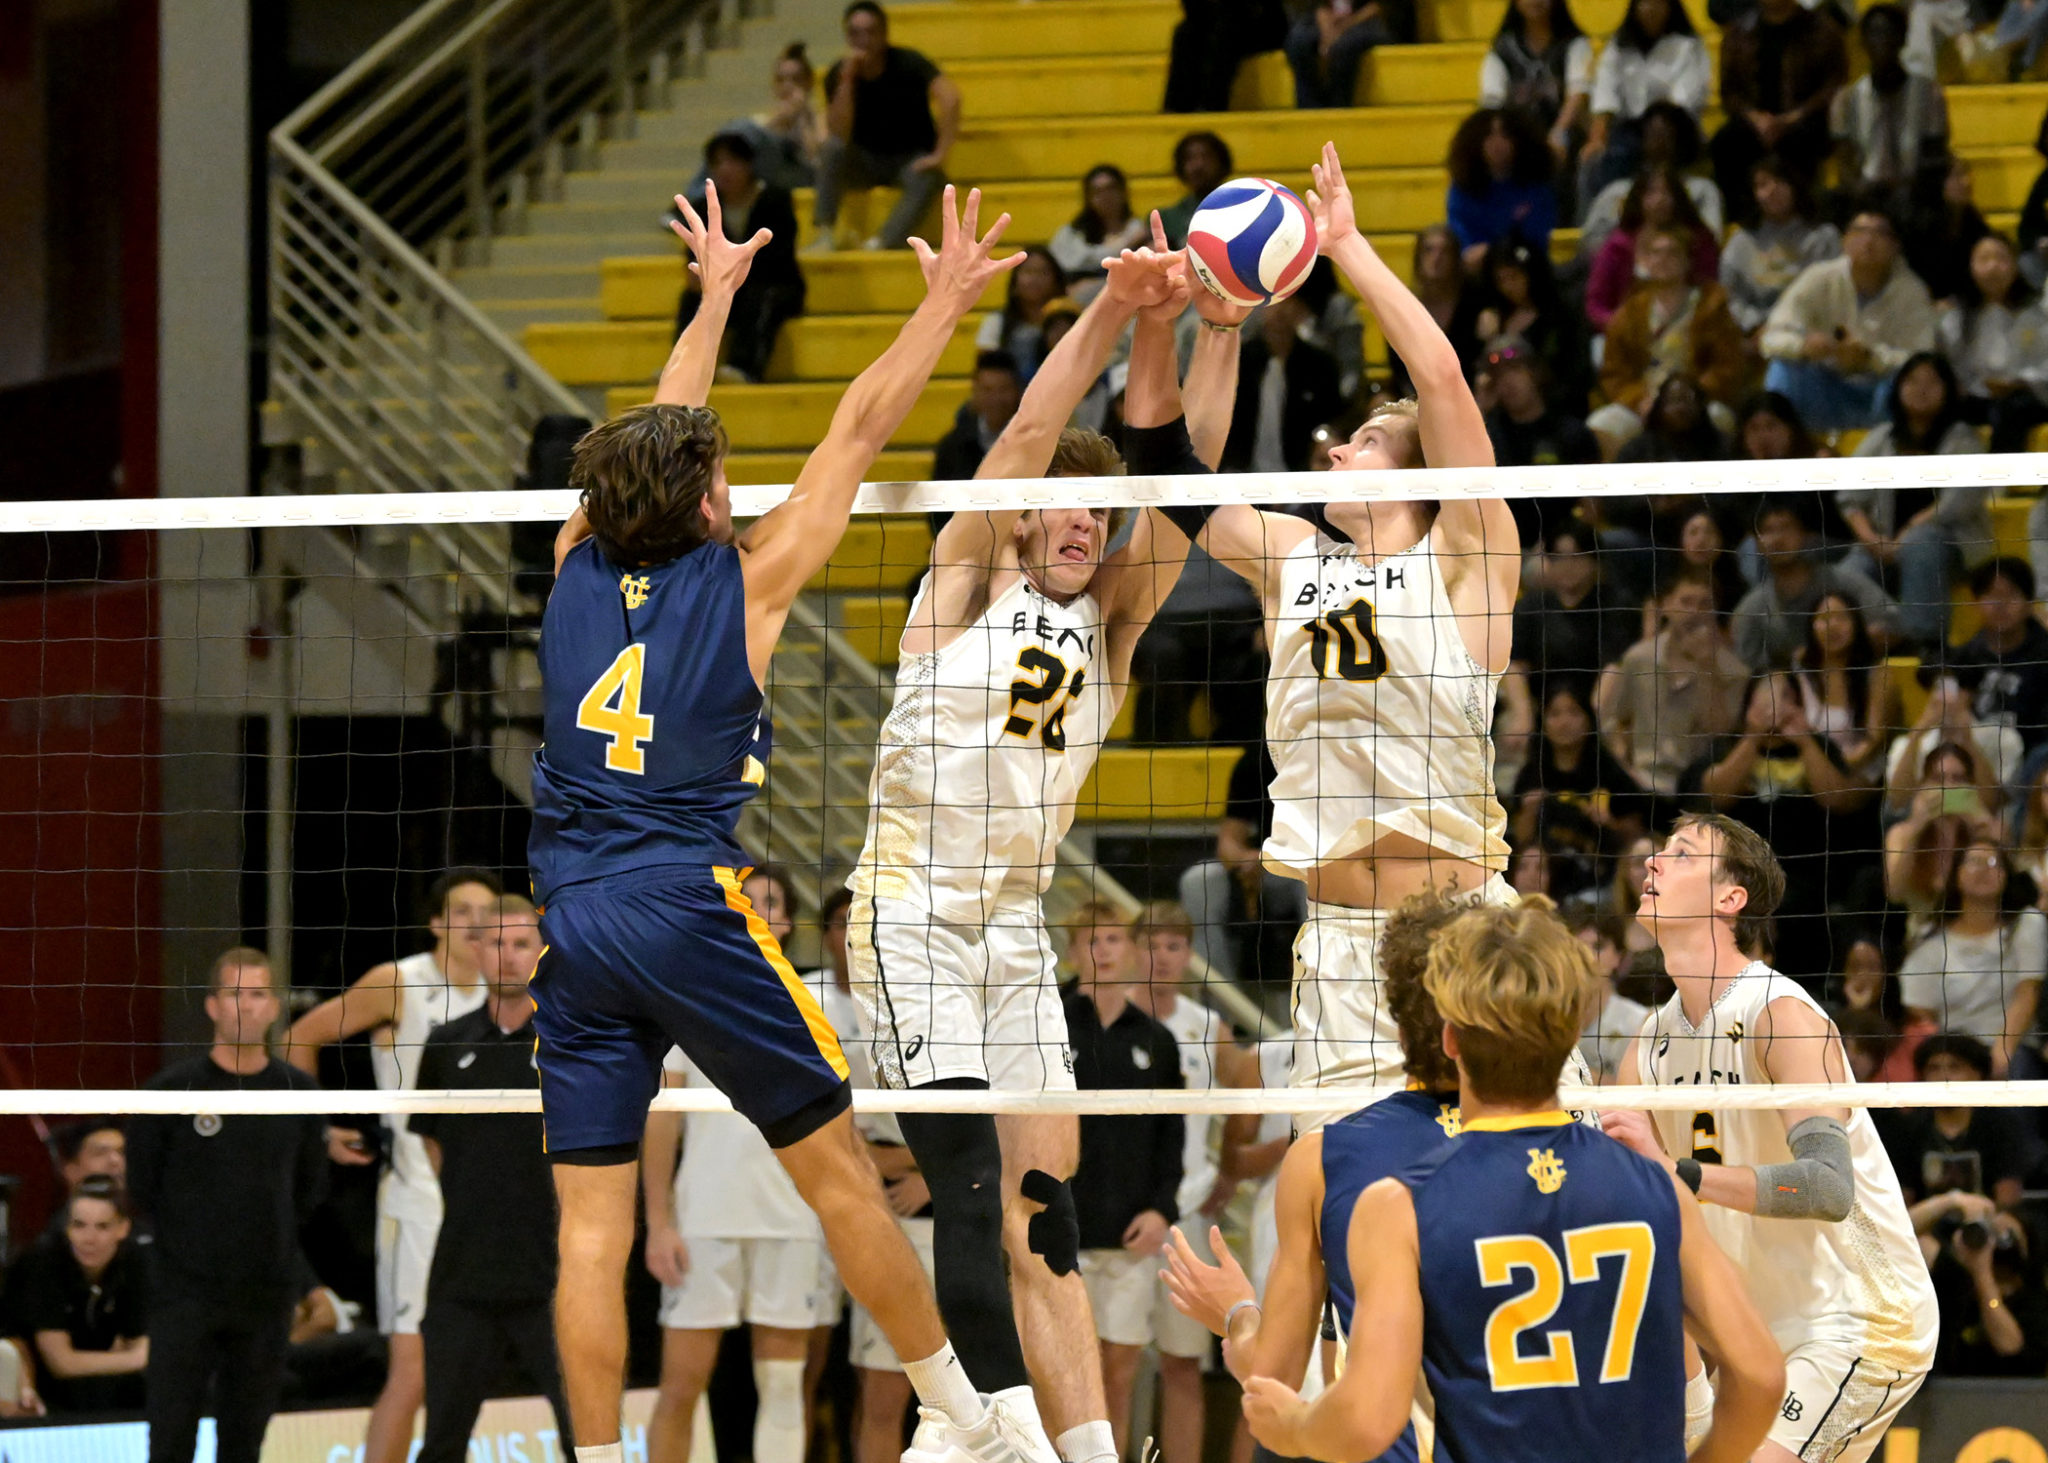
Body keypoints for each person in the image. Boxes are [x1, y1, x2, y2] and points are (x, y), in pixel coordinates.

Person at [529, 185, 1052, 1463]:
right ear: (708, 503)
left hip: (574, 919)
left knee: (587, 1234)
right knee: (836, 1171)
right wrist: (943, 305)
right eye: (717, 471)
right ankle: (965, 1417)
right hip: (685, 904)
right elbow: (858, 423)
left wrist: (712, 298)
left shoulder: (571, 562)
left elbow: (654, 438)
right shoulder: (748, 581)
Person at [844, 229, 1223, 1463]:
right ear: (1021, 514)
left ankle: (1084, 1449)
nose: (1085, 524)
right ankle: (982, 1428)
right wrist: (1111, 312)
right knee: (961, 1178)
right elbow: (1021, 435)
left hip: (1013, 924)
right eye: (1066, 502)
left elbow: (1186, 482)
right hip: (911, 908)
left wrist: (1196, 324)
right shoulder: (967, 577)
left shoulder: (1108, 623)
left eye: (1098, 511)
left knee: (1042, 1208)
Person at [1141, 144, 1521, 1111]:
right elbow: (1178, 478)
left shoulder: (1467, 557)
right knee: (1339, 1180)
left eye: (1367, 441)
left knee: (1505, 1163)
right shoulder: (1292, 558)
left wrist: (1346, 246)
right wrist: (1215, 328)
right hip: (1343, 947)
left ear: (1422, 477)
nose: (1338, 451)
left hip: (1464, 931)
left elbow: (1442, 378)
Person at [1230, 898, 1784, 1463]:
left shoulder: (1400, 1205)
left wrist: (1294, 1427)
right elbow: (1762, 1375)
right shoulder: (1658, 1188)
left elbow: (1367, 1420)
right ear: (1570, 1036)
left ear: (1452, 1040)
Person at [1607, 813, 1940, 1462]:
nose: (1652, 861)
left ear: (1730, 898)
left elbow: (1827, 1187)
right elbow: (1645, 1220)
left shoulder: (1780, 1016)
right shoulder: (1646, 1047)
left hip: (1861, 1319)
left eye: (1682, 853)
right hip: (1752, 1338)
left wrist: (1681, 1174)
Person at [284, 867, 498, 1463]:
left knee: (469, 1369)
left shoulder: (510, 991)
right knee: (413, 1372)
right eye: (462, 911)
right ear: (436, 922)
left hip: (486, 1206)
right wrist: (318, 1129)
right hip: (416, 1203)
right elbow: (300, 1037)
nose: (476, 924)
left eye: (487, 913)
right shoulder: (399, 982)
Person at [641, 867, 836, 1463]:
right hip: (705, 1217)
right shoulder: (685, 996)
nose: (754, 908)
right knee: (681, 1387)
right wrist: (659, 1222)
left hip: (794, 1219)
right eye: (743, 899)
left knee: (783, 1386)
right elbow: (662, 1120)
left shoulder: (819, 1002)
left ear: (788, 921)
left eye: (769, 901)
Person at [129, 948, 328, 1463]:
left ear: (274, 1006)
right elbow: (142, 1188)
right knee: (169, 1440)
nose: (246, 1006)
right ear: (212, 1005)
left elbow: (308, 1191)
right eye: (235, 994)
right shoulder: (169, 1092)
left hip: (264, 1296)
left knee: (244, 1444)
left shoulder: (299, 1093)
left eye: (258, 994)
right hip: (184, 1295)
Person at [410, 895, 572, 1463]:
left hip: (555, 1277)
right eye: (497, 942)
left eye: (522, 943)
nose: (508, 955)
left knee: (587, 1437)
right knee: (442, 1442)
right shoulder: (445, 1043)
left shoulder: (569, 1041)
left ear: (543, 951)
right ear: (477, 949)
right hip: (464, 1277)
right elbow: (433, 1143)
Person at [1127, 902, 1255, 1463]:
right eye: (1151, 944)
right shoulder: (1105, 1017)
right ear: (1135, 950)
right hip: (1121, 1215)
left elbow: (1249, 1098)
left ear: (1188, 954)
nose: (1162, 956)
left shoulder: (1207, 1028)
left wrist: (1229, 1171)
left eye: (1174, 946)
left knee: (1183, 1365)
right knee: (1114, 1360)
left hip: (1187, 1215)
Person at [1063, 906, 1184, 1462]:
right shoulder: (1046, 1025)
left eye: (1114, 938)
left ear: (1132, 950)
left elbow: (1171, 1138)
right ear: (1072, 951)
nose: (1104, 950)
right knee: (1060, 1377)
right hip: (1060, 1238)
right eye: (1092, 939)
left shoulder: (1158, 1040)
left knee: (1118, 1373)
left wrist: (1162, 1210)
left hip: (1131, 1237)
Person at [1761, 204, 1936, 431]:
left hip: (1879, 391)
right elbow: (1771, 336)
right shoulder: (1818, 277)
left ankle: (1893, 447)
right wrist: (1803, 346)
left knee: (1905, 383)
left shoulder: (1912, 291)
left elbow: (1923, 360)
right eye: (1860, 231)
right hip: (1825, 385)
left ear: (1895, 246)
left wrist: (1870, 357)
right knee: (1782, 368)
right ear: (1845, 241)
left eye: (1879, 233)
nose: (1868, 241)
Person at [813, 1, 960, 252]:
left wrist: (940, 154)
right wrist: (847, 80)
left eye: (870, 32)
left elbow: (951, 98)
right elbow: (839, 132)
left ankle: (881, 243)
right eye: (855, 33)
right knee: (831, 149)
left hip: (909, 159)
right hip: (864, 160)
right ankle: (825, 234)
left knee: (928, 178)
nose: (863, 40)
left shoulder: (909, 63)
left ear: (884, 35)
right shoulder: (839, 73)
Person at [1596, 573, 1750, 802]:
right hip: (1641, 781)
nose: (1695, 612)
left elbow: (1720, 730)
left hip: (1698, 786)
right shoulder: (1638, 658)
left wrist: (1706, 667)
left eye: (1704, 604)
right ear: (1666, 606)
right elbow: (1613, 719)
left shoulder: (1735, 672)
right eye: (1686, 602)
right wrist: (1623, 764)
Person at [1591, 228, 1748, 448]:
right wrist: (1639, 400)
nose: (1663, 259)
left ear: (1687, 261)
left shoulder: (1712, 306)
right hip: (1645, 402)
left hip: (1698, 400)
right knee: (1603, 424)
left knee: (1718, 417)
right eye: (1656, 253)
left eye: (1672, 253)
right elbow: (1615, 373)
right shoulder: (1629, 313)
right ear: (1645, 262)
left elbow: (1727, 365)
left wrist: (1691, 396)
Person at [1898, 837, 2047, 1068]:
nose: (1983, 870)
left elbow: (2028, 992)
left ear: (2006, 875)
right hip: (1951, 1049)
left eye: (1993, 862)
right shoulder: (1930, 937)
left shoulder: (2027, 923)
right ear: (1956, 874)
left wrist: (2001, 1053)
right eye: (1973, 862)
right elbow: (1921, 1011)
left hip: (2011, 1049)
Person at [1178, 739, 1309, 987]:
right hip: (1265, 870)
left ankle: (1316, 993)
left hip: (1313, 868)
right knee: (1198, 882)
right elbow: (1228, 839)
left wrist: (1271, 859)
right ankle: (1223, 1003)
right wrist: (1245, 860)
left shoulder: (1334, 757)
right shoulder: (1257, 759)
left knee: (1313, 882)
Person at [670, 146, 804, 385]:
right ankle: (684, 370)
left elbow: (779, 257)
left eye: (732, 161)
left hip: (775, 285)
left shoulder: (775, 200)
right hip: (728, 287)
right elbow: (693, 256)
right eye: (718, 163)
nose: (725, 170)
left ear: (749, 165)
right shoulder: (702, 208)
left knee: (760, 297)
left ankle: (745, 368)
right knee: (691, 299)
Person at [12, 1177, 147, 1412]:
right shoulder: (44, 1263)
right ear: (66, 1227)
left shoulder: (135, 1263)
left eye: (102, 1227)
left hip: (104, 1388)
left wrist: (141, 1355)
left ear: (123, 1229)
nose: (89, 1239)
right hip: (42, 1391)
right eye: (79, 1225)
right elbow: (61, 1363)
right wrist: (137, 1359)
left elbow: (145, 1341)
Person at [1708, 0, 1846, 217]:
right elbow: (1730, 92)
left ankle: (1805, 217)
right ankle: (1742, 220)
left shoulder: (1821, 29)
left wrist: (1790, 119)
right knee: (1725, 142)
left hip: (1803, 120)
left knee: (1803, 141)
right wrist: (1756, 118)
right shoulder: (1739, 32)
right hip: (1754, 124)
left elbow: (1833, 85)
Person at [1731, 496, 1900, 670]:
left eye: (1786, 527)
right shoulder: (1751, 609)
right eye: (1767, 530)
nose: (1778, 539)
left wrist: (1848, 643)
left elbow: (1895, 624)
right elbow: (1747, 669)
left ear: (1805, 534)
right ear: (1755, 542)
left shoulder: (1843, 581)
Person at [1578, 0, 1712, 201]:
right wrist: (1597, 138)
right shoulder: (1618, 47)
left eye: (1658, 3)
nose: (1651, 9)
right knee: (1593, 160)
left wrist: (1656, 128)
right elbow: (1605, 94)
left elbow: (1685, 101)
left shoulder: (1687, 46)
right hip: (1629, 129)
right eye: (1645, 3)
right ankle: (1599, 215)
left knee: (1626, 152)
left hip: (1677, 129)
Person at [1889, 1034, 2033, 1208]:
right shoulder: (1909, 1127)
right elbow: (1903, 1200)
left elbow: (2008, 1196)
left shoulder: (2000, 1124)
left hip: (1987, 1216)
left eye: (1954, 1067)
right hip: (1925, 1219)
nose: (1943, 1076)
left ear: (1978, 1074)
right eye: (1933, 1068)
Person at [1831, 5, 1950, 212]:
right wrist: (1861, 191)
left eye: (1889, 32)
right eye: (1874, 33)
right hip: (1866, 194)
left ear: (1903, 39)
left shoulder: (1929, 94)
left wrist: (1907, 189)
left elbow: (1935, 155)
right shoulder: (1847, 99)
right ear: (1863, 42)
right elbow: (1844, 161)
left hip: (1915, 196)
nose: (1882, 40)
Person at [1941, 233, 2048, 452]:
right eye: (1984, 259)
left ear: (2015, 266)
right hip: (1977, 396)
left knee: (2010, 409)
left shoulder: (2037, 313)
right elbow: (1952, 366)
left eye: (2001, 259)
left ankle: (2001, 473)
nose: (1993, 267)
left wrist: (2021, 382)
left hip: (2029, 396)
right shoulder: (1957, 317)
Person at [1510, 519, 1643, 689]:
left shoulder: (1617, 605)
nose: (1568, 566)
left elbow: (1615, 666)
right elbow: (1516, 663)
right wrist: (1523, 705)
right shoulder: (1531, 605)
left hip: (1599, 694)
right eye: (1559, 557)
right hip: (1541, 695)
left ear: (1594, 561)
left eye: (1577, 556)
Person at [1720, 157, 1843, 338]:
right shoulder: (1741, 242)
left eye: (1780, 181)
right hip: (1758, 333)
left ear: (1795, 186)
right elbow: (1730, 296)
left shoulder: (1824, 237)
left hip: (1813, 332)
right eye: (1763, 185)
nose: (1773, 190)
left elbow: (1836, 292)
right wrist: (1754, 326)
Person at [1221, 292, 1344, 473]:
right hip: (1239, 470)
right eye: (1273, 302)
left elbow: (1332, 419)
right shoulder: (1238, 359)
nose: (1280, 311)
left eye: (1289, 303)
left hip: (1300, 471)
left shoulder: (1320, 365)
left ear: (1302, 311)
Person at [1479, 0, 1594, 188]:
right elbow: (1492, 103)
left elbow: (1578, 95)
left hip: (1567, 136)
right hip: (1518, 139)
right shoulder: (1501, 51)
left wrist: (1558, 135)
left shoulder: (1574, 44)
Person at [1467, 237, 1586, 408]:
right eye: (1501, 280)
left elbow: (1571, 370)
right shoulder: (1493, 318)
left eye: (1514, 276)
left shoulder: (1560, 316)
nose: (1508, 286)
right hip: (1503, 410)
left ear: (1531, 274)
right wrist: (1489, 341)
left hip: (1553, 405)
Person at [1789, 590, 1897, 775]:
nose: (1833, 626)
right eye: (1824, 619)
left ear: (1857, 624)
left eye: (1842, 618)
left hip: (1857, 771)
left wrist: (1832, 771)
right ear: (1811, 626)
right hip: (1808, 768)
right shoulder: (1800, 669)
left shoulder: (1878, 675)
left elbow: (1874, 741)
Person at [1952, 558, 2048, 764]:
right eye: (1991, 596)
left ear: (2029, 603)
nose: (2000, 606)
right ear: (1975, 603)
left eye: (2010, 595)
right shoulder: (1969, 653)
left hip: (2030, 754)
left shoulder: (2042, 656)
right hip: (1975, 747)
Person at [1444, 108, 1558, 265]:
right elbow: (1466, 247)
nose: (1497, 143)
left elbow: (1535, 243)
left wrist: (1498, 253)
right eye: (1488, 135)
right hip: (1477, 269)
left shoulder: (1536, 189)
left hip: (1525, 265)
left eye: (1505, 135)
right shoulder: (1462, 191)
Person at [1285, 0, 1416, 110]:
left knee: (1344, 47)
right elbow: (1319, 6)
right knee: (1298, 40)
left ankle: (1339, 108)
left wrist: (1343, 27)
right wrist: (1327, 31)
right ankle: (1309, 110)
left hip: (1370, 19)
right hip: (1329, 20)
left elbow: (1382, 7)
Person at [1048, 166, 1150, 298]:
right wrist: (1127, 245)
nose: (1105, 197)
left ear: (1123, 192)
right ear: (1088, 197)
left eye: (1111, 189)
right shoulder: (1070, 234)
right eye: (1097, 191)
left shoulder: (1139, 231)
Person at [933, 351, 1024, 481]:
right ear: (974, 392)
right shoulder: (951, 448)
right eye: (987, 390)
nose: (995, 399)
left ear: (1018, 392)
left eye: (1003, 389)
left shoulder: (1032, 443)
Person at [977, 250, 1066, 380]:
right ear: (1015, 281)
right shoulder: (996, 322)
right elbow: (987, 370)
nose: (1035, 279)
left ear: (1056, 281)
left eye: (1043, 272)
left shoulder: (1069, 321)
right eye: (1028, 272)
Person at [1613, 375, 1732, 462]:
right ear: (1660, 407)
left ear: (1700, 406)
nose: (1681, 408)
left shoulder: (1720, 447)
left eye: (1687, 400)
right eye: (1674, 400)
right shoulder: (1638, 451)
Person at [41, 1120, 126, 1240]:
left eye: (122, 1152)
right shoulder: (55, 1239)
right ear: (70, 1170)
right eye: (100, 1153)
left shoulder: (147, 1224)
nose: (116, 1161)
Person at [1155, 132, 1234, 248]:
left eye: (1206, 157)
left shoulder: (1244, 209)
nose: (1198, 165)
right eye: (1190, 158)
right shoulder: (1167, 218)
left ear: (1222, 163)